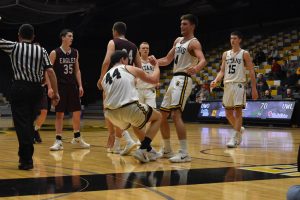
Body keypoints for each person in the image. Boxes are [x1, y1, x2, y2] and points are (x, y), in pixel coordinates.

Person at [0, 24, 59, 170]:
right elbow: (50, 72)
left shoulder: (14, 46)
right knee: (29, 123)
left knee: (22, 124)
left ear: (19, 36)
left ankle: (26, 159)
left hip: (19, 88)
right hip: (36, 90)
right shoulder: (41, 50)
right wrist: (56, 93)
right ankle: (25, 156)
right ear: (33, 37)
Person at [158, 14, 207, 162]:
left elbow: (203, 60)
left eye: (185, 24)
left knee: (176, 114)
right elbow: (167, 60)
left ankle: (184, 152)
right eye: (181, 24)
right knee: (162, 116)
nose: (181, 26)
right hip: (174, 79)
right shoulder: (178, 41)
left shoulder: (194, 43)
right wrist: (150, 61)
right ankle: (167, 149)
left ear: (192, 26)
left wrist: (196, 68)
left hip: (184, 79)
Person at [101, 50, 162, 163]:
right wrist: (156, 66)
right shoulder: (127, 68)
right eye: (127, 60)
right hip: (128, 108)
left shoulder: (105, 77)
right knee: (158, 117)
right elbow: (154, 80)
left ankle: (149, 151)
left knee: (136, 123)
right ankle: (142, 149)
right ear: (122, 60)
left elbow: (105, 97)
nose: (128, 62)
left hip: (111, 115)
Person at [97, 22, 140, 155]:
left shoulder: (113, 42)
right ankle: (117, 144)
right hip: (130, 81)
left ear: (115, 31)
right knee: (124, 113)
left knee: (111, 111)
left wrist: (101, 78)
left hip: (116, 80)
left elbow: (106, 61)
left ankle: (120, 138)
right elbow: (139, 67)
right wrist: (136, 80)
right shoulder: (134, 46)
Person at [211, 31, 258, 148]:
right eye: (231, 38)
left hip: (239, 84)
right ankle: (239, 130)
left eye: (235, 38)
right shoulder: (225, 54)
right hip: (227, 85)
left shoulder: (244, 53)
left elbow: (251, 71)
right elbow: (222, 71)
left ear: (240, 40)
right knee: (228, 114)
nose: (232, 40)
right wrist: (216, 80)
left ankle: (234, 137)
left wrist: (254, 88)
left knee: (238, 112)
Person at [49, 29, 90, 151]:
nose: (72, 38)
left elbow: (77, 70)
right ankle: (58, 140)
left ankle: (77, 136)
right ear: (63, 37)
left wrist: (80, 85)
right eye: (69, 36)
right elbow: (48, 71)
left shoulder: (75, 52)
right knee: (59, 114)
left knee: (77, 111)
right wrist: (50, 87)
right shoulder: (54, 53)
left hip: (72, 86)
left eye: (72, 36)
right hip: (60, 86)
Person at [33, 71, 53, 143]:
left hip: (41, 89)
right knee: (31, 113)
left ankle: (35, 130)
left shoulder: (44, 63)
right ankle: (30, 133)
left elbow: (48, 75)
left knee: (44, 112)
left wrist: (49, 87)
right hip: (30, 88)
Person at [136, 42, 157, 108]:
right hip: (138, 89)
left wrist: (157, 81)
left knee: (151, 111)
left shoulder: (153, 61)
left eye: (147, 48)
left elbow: (156, 72)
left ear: (149, 50)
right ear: (139, 50)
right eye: (143, 48)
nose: (145, 50)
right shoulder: (136, 61)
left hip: (150, 89)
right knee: (139, 113)